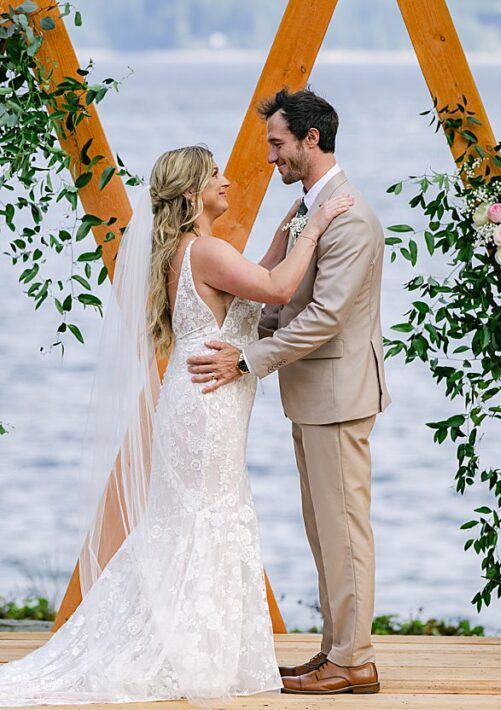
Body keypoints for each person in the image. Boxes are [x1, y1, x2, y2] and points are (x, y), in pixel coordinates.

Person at [0, 145, 350, 704]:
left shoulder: (189, 251)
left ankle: (192, 646)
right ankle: (192, 655)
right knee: (206, 519)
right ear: (193, 192)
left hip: (197, 403)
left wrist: (289, 222)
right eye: (216, 174)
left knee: (194, 521)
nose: (228, 180)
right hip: (208, 405)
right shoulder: (206, 250)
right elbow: (278, 289)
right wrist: (318, 225)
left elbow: (255, 277)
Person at [185, 88, 390, 694]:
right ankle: (334, 649)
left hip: (339, 395)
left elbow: (325, 317)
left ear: (311, 139)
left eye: (277, 144)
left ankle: (354, 660)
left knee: (345, 528)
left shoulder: (349, 218)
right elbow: (287, 298)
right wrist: (254, 328)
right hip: (315, 393)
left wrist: (247, 358)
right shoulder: (308, 210)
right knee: (325, 526)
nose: (270, 157)